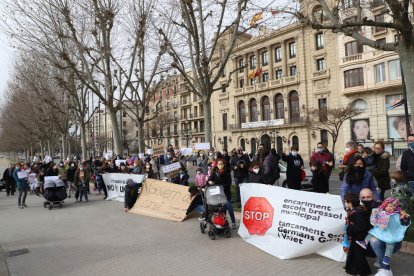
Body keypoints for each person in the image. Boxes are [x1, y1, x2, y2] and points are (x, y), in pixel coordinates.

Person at [357, 197, 410, 267]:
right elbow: (375, 219)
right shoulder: (382, 212)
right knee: (371, 233)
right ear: (384, 205)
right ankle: (365, 242)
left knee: (390, 243)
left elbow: (404, 223)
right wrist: (375, 216)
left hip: (391, 233)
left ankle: (387, 257)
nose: (389, 208)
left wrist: (404, 218)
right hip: (382, 231)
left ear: (395, 207)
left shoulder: (398, 214)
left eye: (391, 206)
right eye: (387, 206)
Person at [343, 192, 372, 276]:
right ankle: (352, 269)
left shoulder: (357, 213)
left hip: (360, 238)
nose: (344, 203)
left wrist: (350, 229)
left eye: (345, 201)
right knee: (353, 253)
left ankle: (364, 271)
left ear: (350, 202)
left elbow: (361, 227)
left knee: (358, 255)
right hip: (356, 237)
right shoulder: (354, 211)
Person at [207, 158, 237, 229]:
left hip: (226, 193)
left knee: (229, 208)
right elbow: (210, 179)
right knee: (220, 208)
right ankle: (222, 222)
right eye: (219, 164)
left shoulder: (227, 173)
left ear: (224, 164)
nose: (220, 165)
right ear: (216, 165)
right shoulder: (214, 172)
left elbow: (228, 183)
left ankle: (233, 222)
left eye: (221, 164)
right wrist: (209, 181)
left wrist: (220, 187)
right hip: (217, 194)